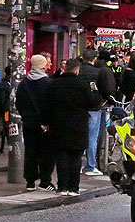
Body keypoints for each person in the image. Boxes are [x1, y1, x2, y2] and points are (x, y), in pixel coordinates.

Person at [42, 59, 103, 196]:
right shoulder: (82, 84)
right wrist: (95, 92)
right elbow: (92, 102)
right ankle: (73, 188)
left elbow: (46, 104)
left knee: (62, 156)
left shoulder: (54, 84)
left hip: (58, 124)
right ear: (77, 70)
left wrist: (45, 121)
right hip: (78, 125)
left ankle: (62, 186)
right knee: (76, 157)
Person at [16, 55, 56, 192]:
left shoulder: (23, 84)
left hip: (28, 123)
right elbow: (50, 105)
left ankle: (30, 181)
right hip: (44, 125)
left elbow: (19, 104)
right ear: (42, 66)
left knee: (31, 152)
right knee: (46, 153)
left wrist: (26, 117)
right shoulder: (48, 84)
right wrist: (46, 122)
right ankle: (45, 181)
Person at [79, 48, 116, 176]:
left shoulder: (78, 71)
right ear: (94, 59)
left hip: (78, 108)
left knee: (78, 136)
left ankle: (78, 163)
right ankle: (90, 165)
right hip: (94, 108)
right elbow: (105, 89)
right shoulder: (98, 72)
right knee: (92, 138)